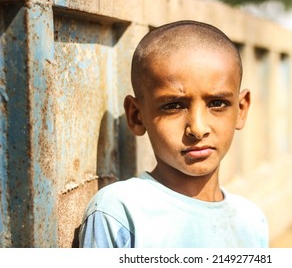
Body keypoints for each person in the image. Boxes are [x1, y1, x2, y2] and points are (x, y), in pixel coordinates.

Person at [79, 20, 268, 248]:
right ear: (137, 116)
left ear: (241, 109)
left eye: (217, 103)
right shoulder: (120, 212)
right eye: (173, 106)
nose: (198, 129)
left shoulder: (250, 220)